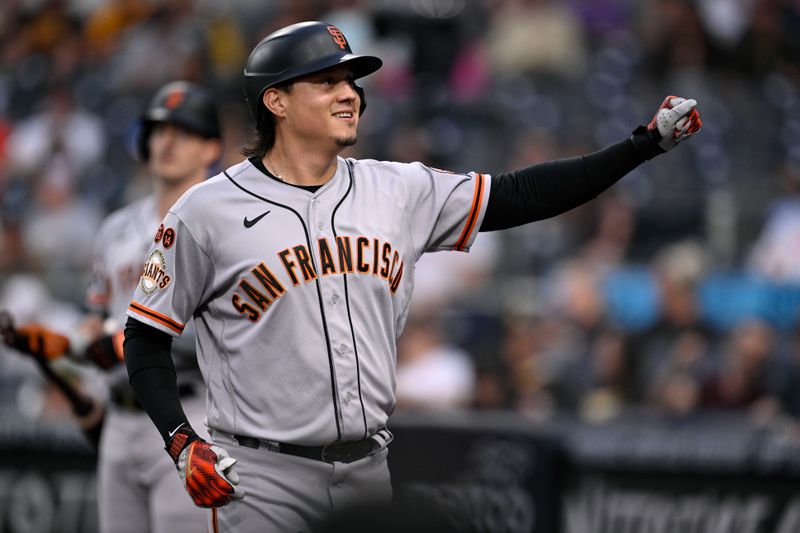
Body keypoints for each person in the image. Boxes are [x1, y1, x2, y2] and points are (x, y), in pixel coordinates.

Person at [122, 20, 702, 532]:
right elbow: (145, 337)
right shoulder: (206, 213)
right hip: (262, 476)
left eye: (352, 82)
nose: (349, 94)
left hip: (370, 467)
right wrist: (180, 440)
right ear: (275, 100)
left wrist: (641, 146)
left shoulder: (398, 189)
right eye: (327, 82)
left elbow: (523, 194)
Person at [3, 80, 223, 533]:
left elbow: (228, 330)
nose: (167, 140)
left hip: (190, 408)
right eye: (160, 129)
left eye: (183, 130)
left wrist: (128, 343)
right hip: (120, 417)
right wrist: (60, 346)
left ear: (211, 148)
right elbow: (95, 322)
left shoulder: (223, 225)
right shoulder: (116, 227)